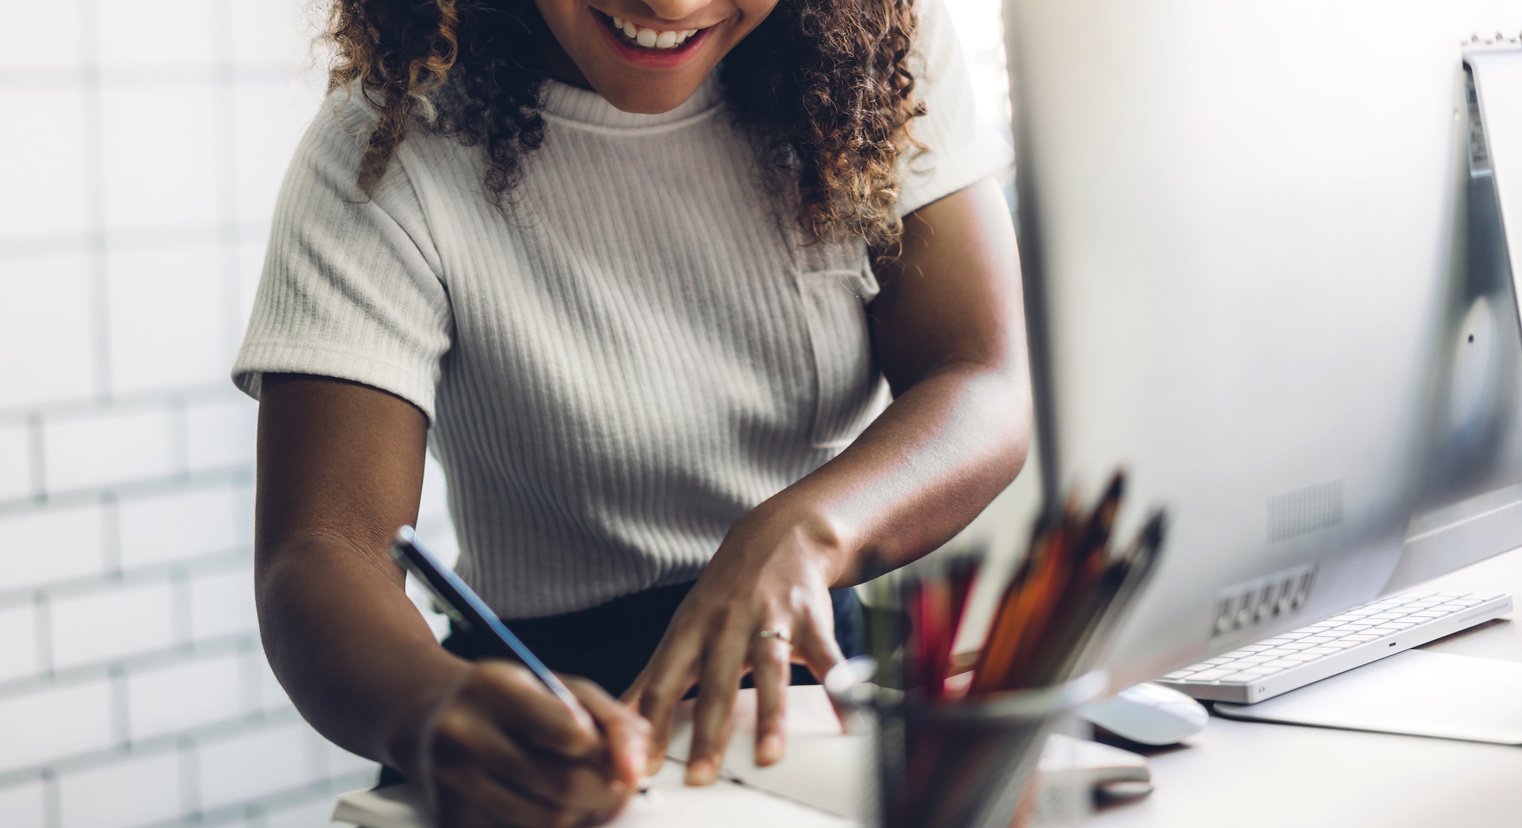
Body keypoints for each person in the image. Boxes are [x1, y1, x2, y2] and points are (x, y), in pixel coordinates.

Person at [233, 0, 1028, 823]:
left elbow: (979, 378)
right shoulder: (387, 143)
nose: (673, 5)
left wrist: (808, 530)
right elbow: (321, 551)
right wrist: (436, 711)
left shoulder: (875, 55)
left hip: (818, 714)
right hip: (539, 719)